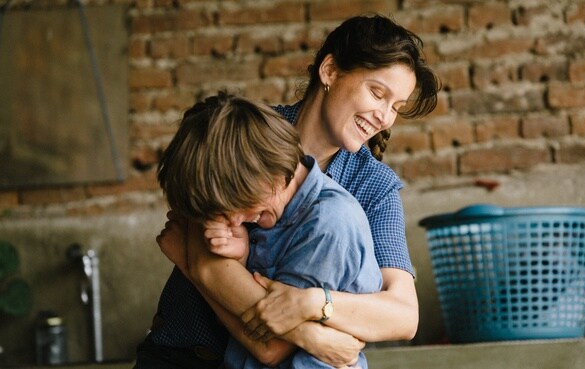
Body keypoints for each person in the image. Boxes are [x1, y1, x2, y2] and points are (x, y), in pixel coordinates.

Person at [138, 13, 440, 368]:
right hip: (183, 357)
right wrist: (313, 334)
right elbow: (204, 256)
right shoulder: (246, 132)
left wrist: (314, 304)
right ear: (329, 71)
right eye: (377, 93)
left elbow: (403, 316)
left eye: (396, 108)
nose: (385, 117)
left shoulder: (373, 187)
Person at [136, 91, 382, 369]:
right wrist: (238, 259)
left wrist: (191, 263)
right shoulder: (266, 206)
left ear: (272, 177)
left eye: (234, 208)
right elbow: (242, 312)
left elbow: (270, 346)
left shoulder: (328, 224)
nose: (233, 221)